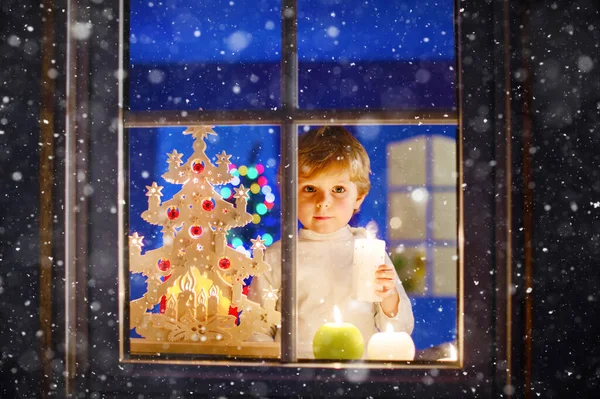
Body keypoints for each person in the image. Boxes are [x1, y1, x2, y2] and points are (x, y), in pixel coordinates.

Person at [249, 126, 414, 359]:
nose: (323, 202)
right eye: (309, 189)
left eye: (338, 189)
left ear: (358, 197)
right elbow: (256, 329)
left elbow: (401, 327)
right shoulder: (276, 256)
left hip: (358, 370)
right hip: (295, 372)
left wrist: (388, 297)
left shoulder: (367, 252)